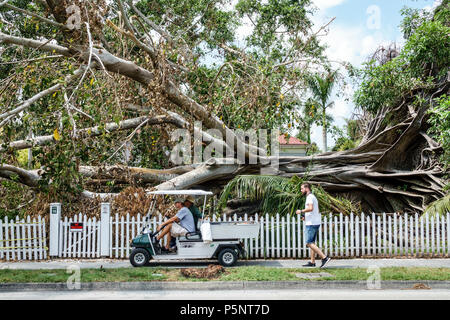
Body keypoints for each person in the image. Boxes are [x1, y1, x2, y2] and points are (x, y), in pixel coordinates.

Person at [296, 182, 331, 268]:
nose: (301, 190)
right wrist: (305, 216)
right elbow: (313, 210)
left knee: (308, 243)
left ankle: (324, 257)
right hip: (314, 222)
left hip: (311, 223)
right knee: (312, 242)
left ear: (307, 188)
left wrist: (301, 211)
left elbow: (310, 208)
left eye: (302, 189)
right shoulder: (312, 197)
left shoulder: (310, 197)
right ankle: (312, 262)